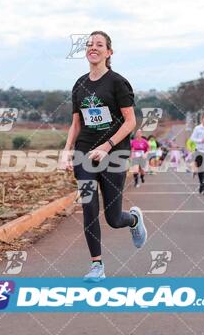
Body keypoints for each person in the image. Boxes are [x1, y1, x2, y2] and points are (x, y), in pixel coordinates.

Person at [60, 30, 147, 282]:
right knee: (88, 207)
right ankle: (97, 265)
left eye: (99, 44)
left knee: (112, 217)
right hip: (84, 153)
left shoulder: (118, 82)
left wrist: (107, 146)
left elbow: (130, 121)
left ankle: (132, 220)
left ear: (109, 52)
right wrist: (67, 151)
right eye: (89, 44)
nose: (93, 48)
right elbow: (76, 123)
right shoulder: (80, 84)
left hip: (114, 154)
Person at [190, 114, 204, 194]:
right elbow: (192, 138)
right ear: (202, 120)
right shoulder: (197, 128)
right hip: (199, 151)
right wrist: (201, 140)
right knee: (200, 170)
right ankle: (201, 184)